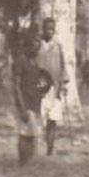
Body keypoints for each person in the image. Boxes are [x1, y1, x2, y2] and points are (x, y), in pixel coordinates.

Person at [11, 31, 50, 166]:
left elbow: (40, 80)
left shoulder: (37, 63)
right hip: (25, 103)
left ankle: (29, 162)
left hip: (36, 103)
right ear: (26, 46)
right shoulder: (20, 62)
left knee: (33, 134)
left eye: (37, 46)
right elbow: (16, 86)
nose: (36, 49)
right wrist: (22, 107)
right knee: (24, 135)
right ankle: (23, 163)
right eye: (33, 46)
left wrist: (42, 90)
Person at [35, 17, 69, 156]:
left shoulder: (58, 46)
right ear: (43, 29)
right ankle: (36, 148)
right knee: (39, 119)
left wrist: (64, 84)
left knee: (52, 120)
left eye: (52, 29)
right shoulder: (37, 45)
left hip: (54, 88)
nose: (50, 31)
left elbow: (63, 66)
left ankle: (50, 148)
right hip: (39, 88)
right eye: (47, 28)